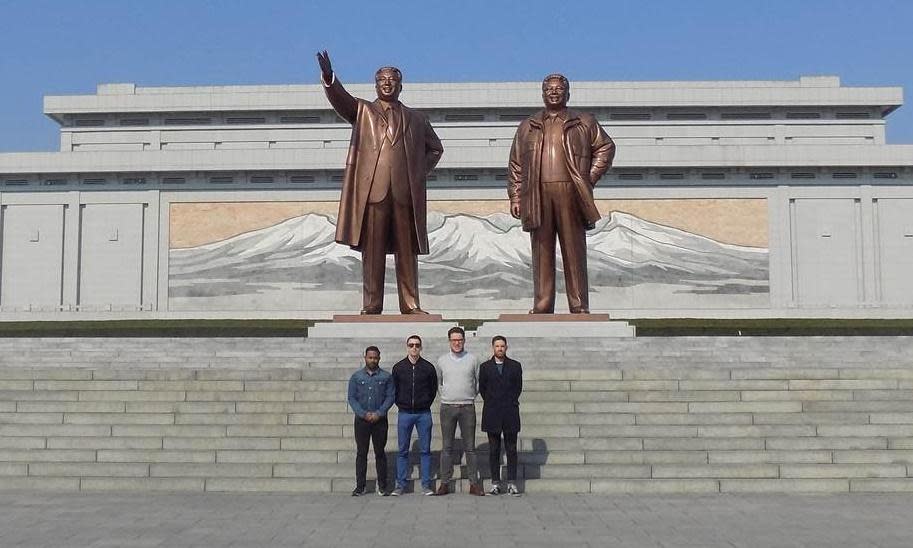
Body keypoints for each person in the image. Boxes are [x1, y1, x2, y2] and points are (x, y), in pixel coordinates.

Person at [316, 50, 444, 315]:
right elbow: (341, 101)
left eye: (392, 80)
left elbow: (435, 149)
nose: (387, 83)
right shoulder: (363, 111)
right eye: (382, 80)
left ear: (400, 85)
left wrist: (417, 173)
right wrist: (329, 78)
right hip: (374, 192)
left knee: (407, 251)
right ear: (376, 85)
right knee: (372, 251)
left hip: (404, 194)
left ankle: (410, 304)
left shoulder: (417, 119)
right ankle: (372, 304)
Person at [507, 73, 616, 314]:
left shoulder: (584, 121)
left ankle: (578, 305)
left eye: (559, 89)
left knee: (573, 248)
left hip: (570, 192)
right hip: (537, 193)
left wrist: (589, 177)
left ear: (568, 93)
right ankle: (543, 303)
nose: (554, 92)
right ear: (542, 94)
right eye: (549, 89)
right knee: (542, 249)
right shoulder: (529, 125)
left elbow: (606, 147)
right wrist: (516, 196)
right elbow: (516, 163)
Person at [435, 326, 483, 496]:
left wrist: (469, 396)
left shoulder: (473, 359)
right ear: (449, 341)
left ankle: (474, 483)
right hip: (448, 407)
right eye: (454, 340)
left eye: (460, 340)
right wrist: (447, 396)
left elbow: (478, 382)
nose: (457, 343)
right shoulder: (441, 360)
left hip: (467, 407)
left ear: (464, 340)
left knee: (470, 448)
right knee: (447, 447)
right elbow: (439, 382)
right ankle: (445, 483)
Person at [390, 335, 438, 495]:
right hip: (405, 413)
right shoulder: (398, 368)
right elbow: (394, 389)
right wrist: (401, 403)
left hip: (423, 413)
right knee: (403, 450)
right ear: (407, 347)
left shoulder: (428, 368)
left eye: (417, 345)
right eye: (411, 345)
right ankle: (400, 485)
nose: (414, 348)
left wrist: (425, 403)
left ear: (421, 347)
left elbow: (433, 389)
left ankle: (426, 485)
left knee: (425, 450)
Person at [347, 345, 395, 496]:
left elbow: (390, 396)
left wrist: (379, 413)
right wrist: (362, 413)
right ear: (365, 358)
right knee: (362, 453)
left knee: (380, 453)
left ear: (379, 358)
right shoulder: (356, 377)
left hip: (379, 420)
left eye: (375, 357)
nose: (373, 360)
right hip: (362, 421)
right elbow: (352, 398)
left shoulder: (386, 377)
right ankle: (360, 487)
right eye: (370, 357)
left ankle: (383, 486)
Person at [479, 335, 523, 496]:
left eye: (502, 346)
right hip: (492, 412)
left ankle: (512, 482)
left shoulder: (515, 366)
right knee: (494, 449)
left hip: (510, 412)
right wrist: (493, 402)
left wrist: (508, 401)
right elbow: (483, 388)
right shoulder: (485, 367)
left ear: (506, 347)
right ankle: (495, 483)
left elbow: (518, 387)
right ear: (493, 348)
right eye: (497, 346)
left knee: (511, 449)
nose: (500, 349)